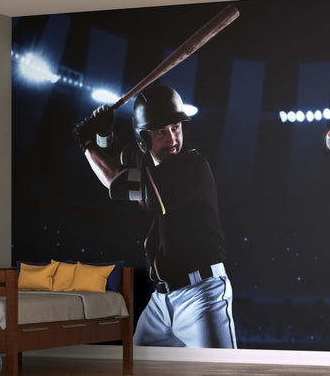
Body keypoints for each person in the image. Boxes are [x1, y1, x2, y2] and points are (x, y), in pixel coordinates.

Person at [73, 84, 236, 348]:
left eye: (176, 127)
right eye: (161, 131)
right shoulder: (142, 158)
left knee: (220, 371)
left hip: (202, 295)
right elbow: (112, 155)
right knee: (138, 369)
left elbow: (117, 181)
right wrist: (103, 134)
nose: (172, 139)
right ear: (143, 138)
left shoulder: (192, 166)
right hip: (160, 300)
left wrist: (87, 145)